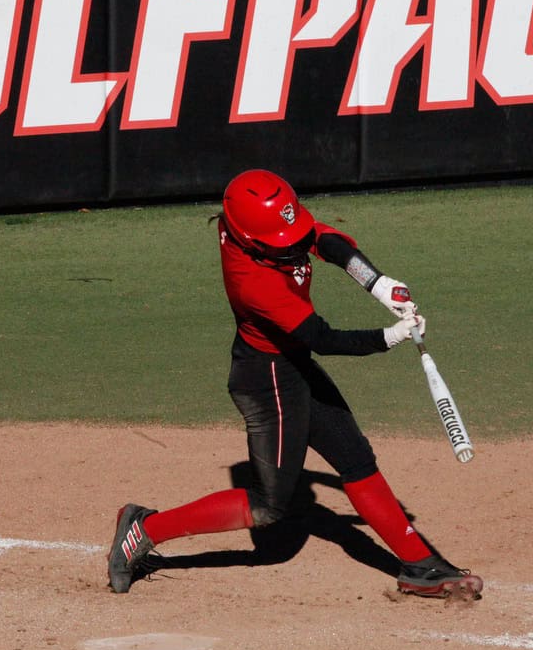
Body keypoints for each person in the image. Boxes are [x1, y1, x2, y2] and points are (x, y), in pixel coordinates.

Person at [107, 169, 483, 599]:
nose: (293, 244)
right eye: (282, 241)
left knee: (355, 460)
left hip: (291, 364)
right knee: (269, 507)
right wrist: (390, 337)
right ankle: (142, 528)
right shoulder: (255, 284)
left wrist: (378, 284)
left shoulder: (260, 227)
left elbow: (322, 239)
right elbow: (322, 338)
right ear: (251, 240)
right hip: (267, 380)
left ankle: (420, 567)